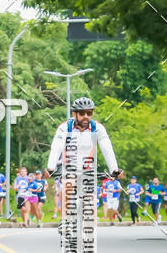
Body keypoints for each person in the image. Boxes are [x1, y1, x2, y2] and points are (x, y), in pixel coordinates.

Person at [45, 98, 122, 230]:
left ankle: (88, 227)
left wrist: (114, 169)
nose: (86, 116)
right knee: (68, 186)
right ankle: (64, 220)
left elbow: (106, 148)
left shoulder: (97, 128)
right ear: (74, 114)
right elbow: (56, 147)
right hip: (68, 165)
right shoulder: (65, 127)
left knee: (90, 198)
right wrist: (51, 167)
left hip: (88, 167)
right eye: (82, 113)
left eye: (89, 113)